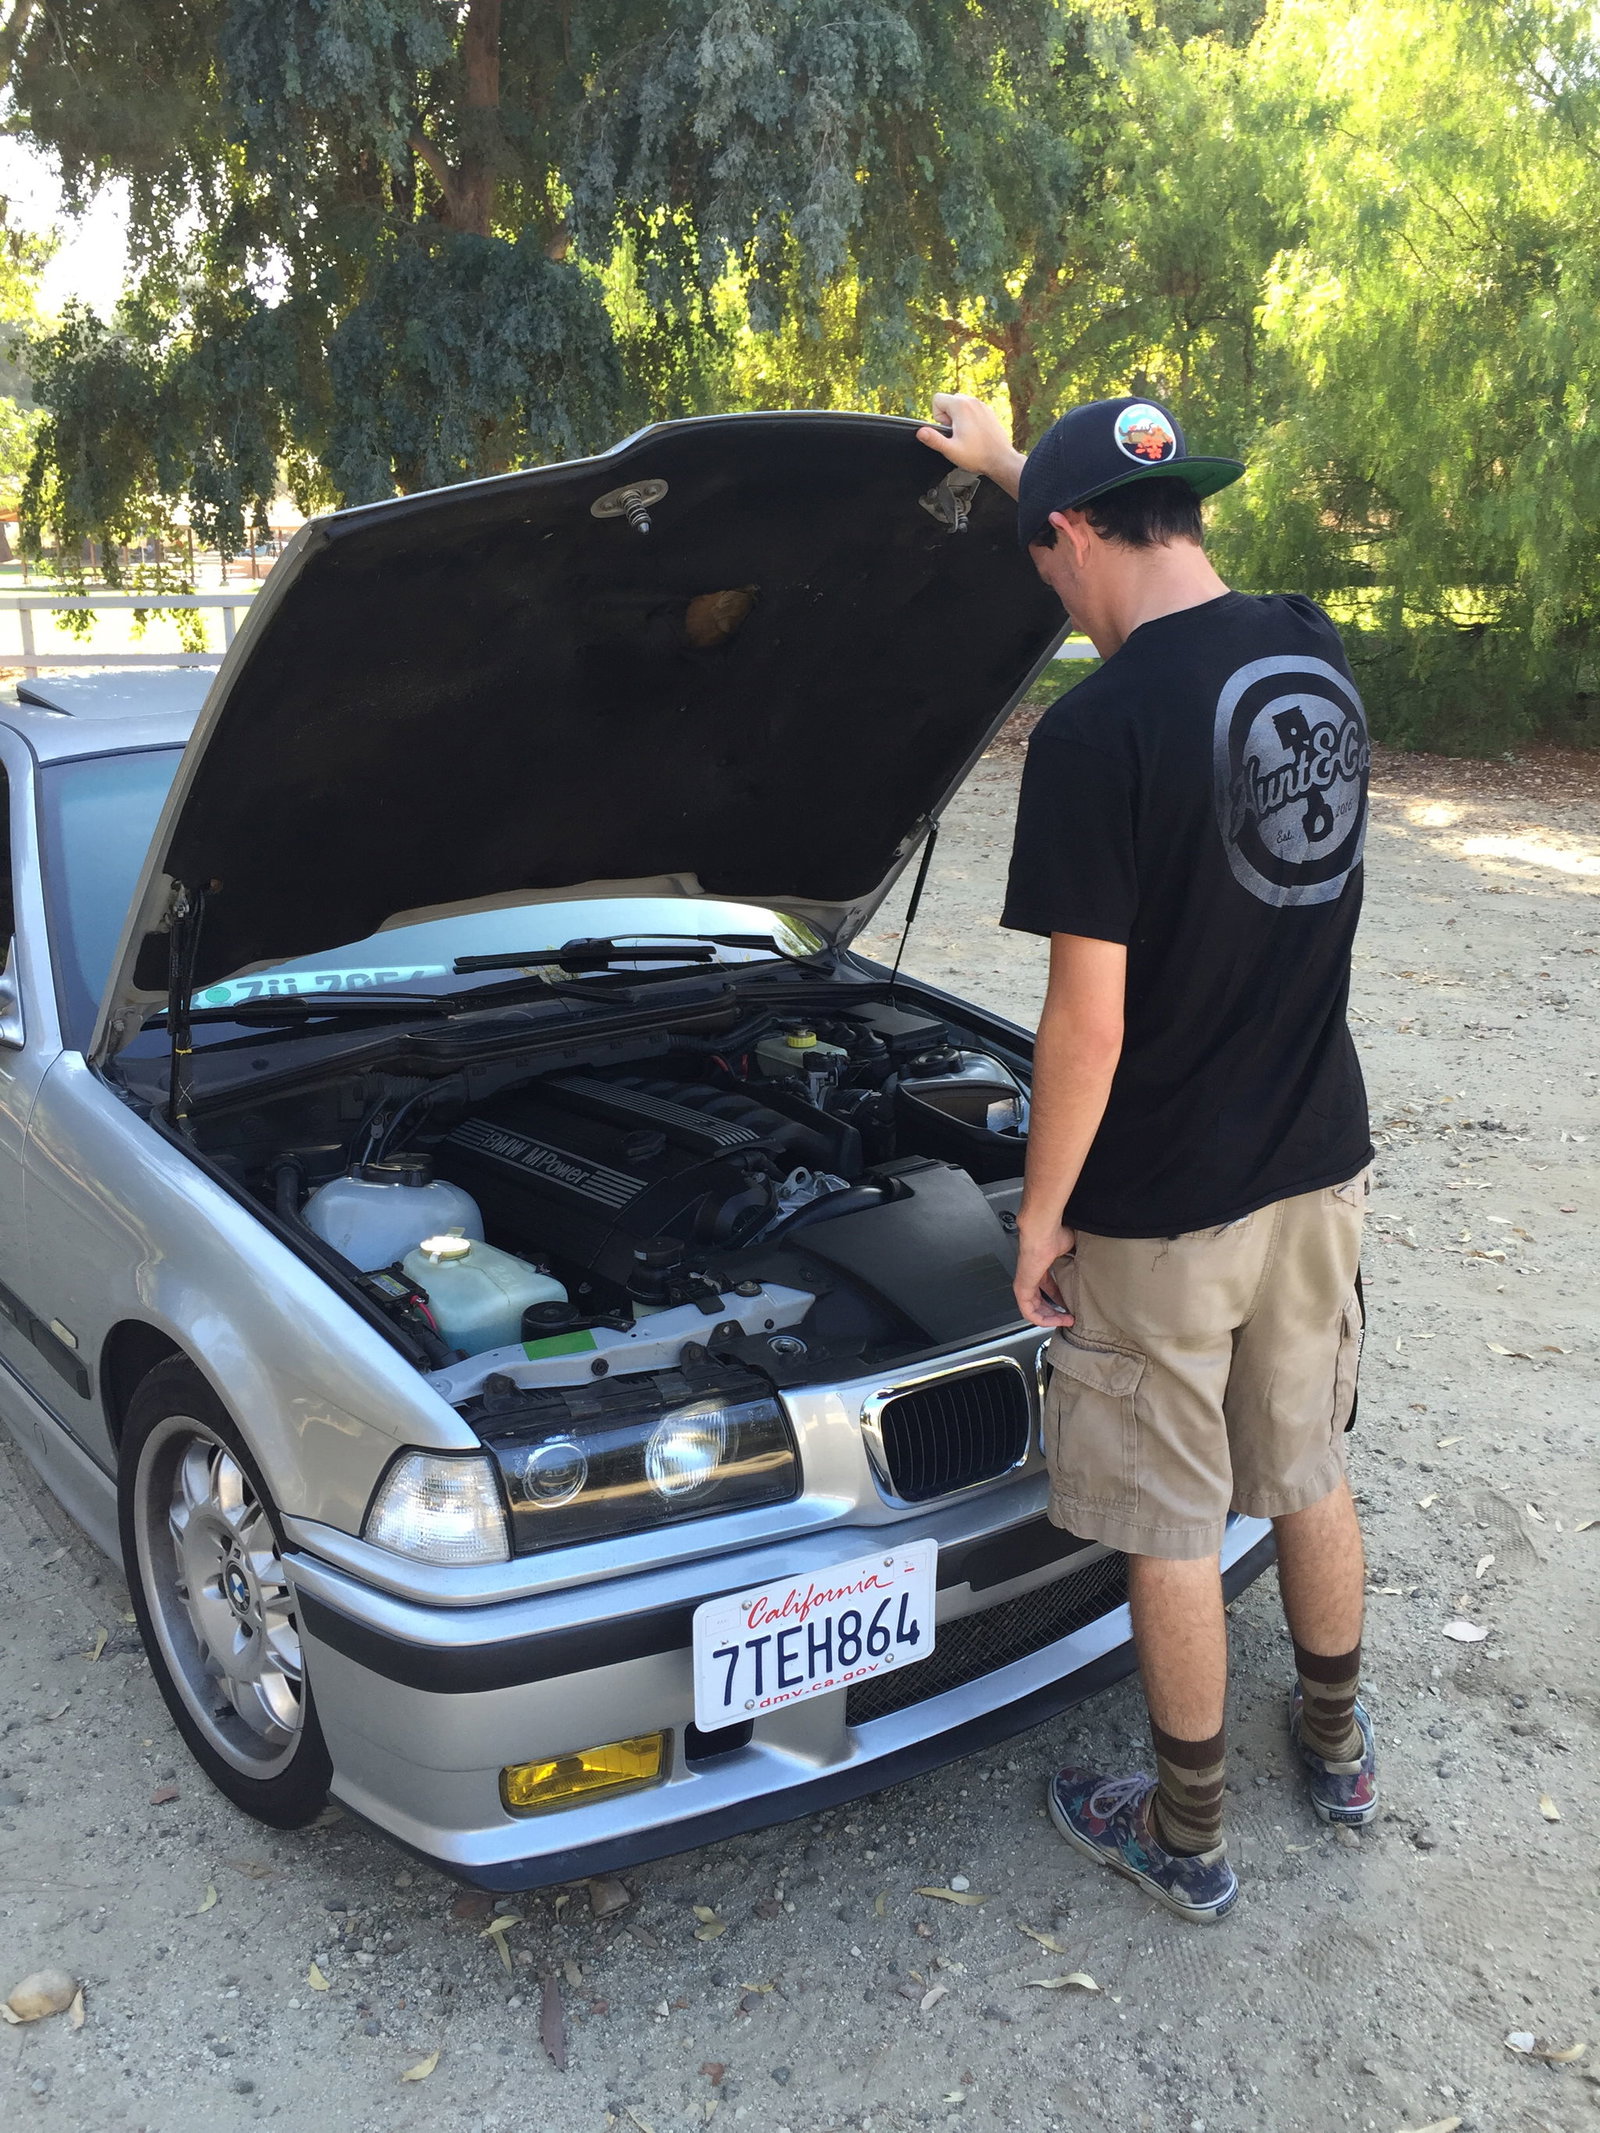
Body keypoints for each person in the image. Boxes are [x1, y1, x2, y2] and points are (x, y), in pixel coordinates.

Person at [918, 392, 1376, 1924]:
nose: (1047, 586)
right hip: (1318, 1161)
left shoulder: (1096, 735)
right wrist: (1010, 468)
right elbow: (1179, 624)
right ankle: (1339, 1746)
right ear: (1181, 510)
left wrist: (1039, 1219)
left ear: (1068, 538)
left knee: (1175, 1522)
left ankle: (1182, 1838)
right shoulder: (1309, 648)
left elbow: (1083, 1032)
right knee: (1304, 1463)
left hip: (1167, 1205)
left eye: (1044, 551)